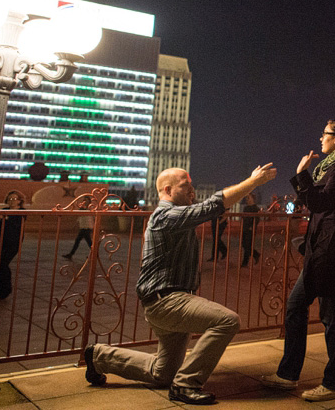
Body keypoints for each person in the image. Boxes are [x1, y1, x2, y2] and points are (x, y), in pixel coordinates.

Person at [84, 163, 277, 405]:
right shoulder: (166, 215)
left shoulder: (178, 216)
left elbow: (207, 210)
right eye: (185, 187)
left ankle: (99, 356)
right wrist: (253, 182)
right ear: (167, 190)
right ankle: (186, 385)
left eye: (192, 187)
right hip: (166, 301)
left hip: (168, 300)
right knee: (227, 321)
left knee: (161, 373)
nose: (192, 191)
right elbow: (212, 206)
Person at [261, 118, 335, 402]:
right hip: (322, 251)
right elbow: (318, 200)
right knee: (298, 307)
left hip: (333, 253)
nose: (320, 139)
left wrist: (302, 172)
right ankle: (288, 375)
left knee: (330, 315)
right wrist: (307, 178)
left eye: (325, 134)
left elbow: (317, 203)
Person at [0, 191, 26, 300]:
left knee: (4, 263)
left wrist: (6, 219)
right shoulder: (4, 210)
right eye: (10, 199)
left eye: (14, 199)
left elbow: (17, 226)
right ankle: (3, 289)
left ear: (20, 201)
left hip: (13, 242)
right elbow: (0, 226)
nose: (12, 201)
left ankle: (5, 289)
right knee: (0, 265)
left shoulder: (22, 212)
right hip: (2, 240)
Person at [240, 192, 261, 267]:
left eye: (248, 198)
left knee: (247, 246)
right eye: (246, 198)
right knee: (244, 245)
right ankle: (256, 254)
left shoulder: (256, 208)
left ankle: (245, 262)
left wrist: (252, 226)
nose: (247, 199)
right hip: (244, 228)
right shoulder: (246, 208)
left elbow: (257, 219)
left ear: (253, 199)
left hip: (250, 230)